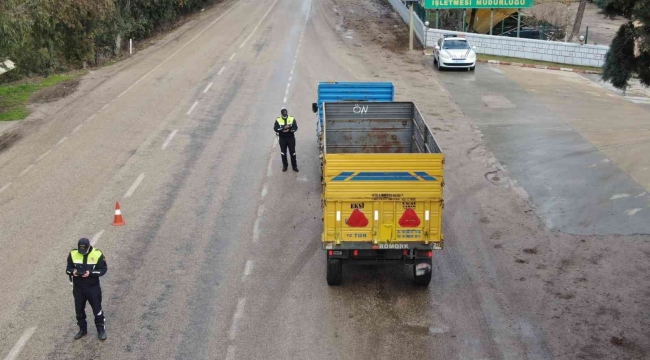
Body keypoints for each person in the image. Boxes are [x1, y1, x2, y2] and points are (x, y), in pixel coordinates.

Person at [66, 238, 108, 340]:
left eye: (84, 250)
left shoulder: (97, 254)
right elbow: (68, 269)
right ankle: (82, 330)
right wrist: (74, 272)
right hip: (78, 288)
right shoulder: (73, 254)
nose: (82, 252)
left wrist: (91, 273)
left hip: (93, 287)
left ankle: (101, 330)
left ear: (89, 246)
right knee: (79, 310)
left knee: (97, 309)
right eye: (81, 250)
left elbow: (103, 269)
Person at [274, 107, 299, 172]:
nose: (285, 115)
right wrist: (283, 128)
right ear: (281, 114)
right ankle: (285, 166)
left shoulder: (291, 118)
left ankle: (294, 166)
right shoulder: (278, 120)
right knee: (283, 153)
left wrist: (289, 130)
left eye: (286, 114)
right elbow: (275, 128)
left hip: (290, 138)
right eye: (283, 114)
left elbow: (295, 127)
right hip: (282, 138)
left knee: (293, 152)